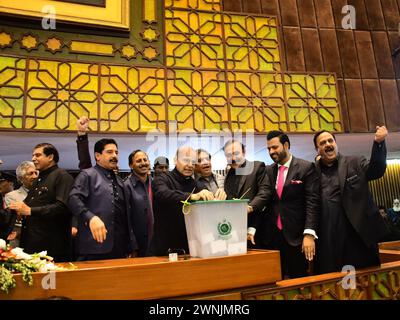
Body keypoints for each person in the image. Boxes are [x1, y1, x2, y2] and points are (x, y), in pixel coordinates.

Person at [313, 126, 389, 274]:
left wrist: (379, 142)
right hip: (330, 239)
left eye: (330, 140)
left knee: (365, 282)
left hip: (359, 236)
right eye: (322, 143)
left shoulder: (355, 162)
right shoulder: (313, 172)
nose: (328, 144)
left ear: (336, 144)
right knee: (337, 283)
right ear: (318, 150)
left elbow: (377, 170)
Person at [258, 131, 319, 278]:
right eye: (268, 149)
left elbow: (312, 202)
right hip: (272, 238)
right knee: (274, 281)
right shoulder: (268, 170)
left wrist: (309, 234)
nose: (271, 152)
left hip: (297, 237)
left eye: (274, 147)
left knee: (298, 280)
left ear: (286, 145)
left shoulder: (306, 167)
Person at [68, 139, 137, 261]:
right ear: (98, 156)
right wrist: (91, 218)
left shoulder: (120, 181)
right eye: (109, 152)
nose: (114, 155)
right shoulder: (87, 175)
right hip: (94, 247)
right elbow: (73, 199)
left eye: (116, 152)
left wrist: (131, 244)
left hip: (120, 248)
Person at [9, 143, 74, 262]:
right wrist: (20, 210)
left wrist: (30, 211)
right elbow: (31, 205)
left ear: (50, 157)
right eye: (33, 155)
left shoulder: (62, 176)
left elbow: (63, 207)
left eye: (38, 155)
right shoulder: (39, 179)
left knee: (52, 280)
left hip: (51, 246)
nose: (33, 159)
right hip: (32, 243)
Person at [149, 146, 214, 256]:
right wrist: (192, 197)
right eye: (185, 160)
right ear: (175, 160)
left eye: (193, 162)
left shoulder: (198, 184)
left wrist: (216, 197)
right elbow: (163, 194)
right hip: (165, 248)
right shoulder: (162, 179)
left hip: (191, 247)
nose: (189, 165)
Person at [223, 139, 271, 248]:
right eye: (228, 155)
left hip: (257, 227)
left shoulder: (257, 167)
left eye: (236, 153)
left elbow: (265, 192)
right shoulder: (228, 174)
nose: (233, 158)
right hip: (235, 231)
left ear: (244, 152)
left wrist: (250, 207)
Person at [124, 149, 154, 257]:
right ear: (131, 165)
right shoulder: (126, 186)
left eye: (145, 160)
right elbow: (126, 219)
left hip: (155, 242)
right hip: (137, 244)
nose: (143, 163)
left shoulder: (154, 184)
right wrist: (132, 245)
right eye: (138, 161)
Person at [4, 161, 38, 247]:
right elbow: (17, 220)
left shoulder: (45, 193)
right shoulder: (11, 196)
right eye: (30, 174)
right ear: (21, 178)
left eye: (36, 173)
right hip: (20, 240)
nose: (35, 176)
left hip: (41, 238)